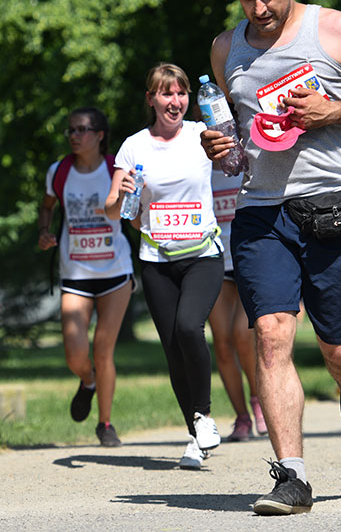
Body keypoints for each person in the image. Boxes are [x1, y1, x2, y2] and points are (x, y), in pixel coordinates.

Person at [201, 0, 341, 515]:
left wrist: (332, 112)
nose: (258, 9)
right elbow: (244, 142)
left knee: (339, 349)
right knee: (269, 334)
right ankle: (292, 477)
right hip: (261, 210)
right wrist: (223, 151)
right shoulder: (226, 48)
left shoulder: (337, 31)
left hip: (332, 204)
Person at [106, 62, 224, 471]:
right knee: (173, 349)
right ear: (151, 99)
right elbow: (114, 209)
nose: (175, 102)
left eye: (181, 93)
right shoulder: (134, 145)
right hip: (156, 259)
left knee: (189, 327)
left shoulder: (200, 133)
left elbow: (236, 158)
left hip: (203, 253)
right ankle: (195, 433)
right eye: (166, 94)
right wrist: (120, 193)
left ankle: (205, 414)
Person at [38, 107, 133, 447]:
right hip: (75, 271)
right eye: (71, 130)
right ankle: (87, 381)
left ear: (99, 134)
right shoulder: (60, 171)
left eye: (82, 129)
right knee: (75, 353)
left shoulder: (114, 169)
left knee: (103, 348)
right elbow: (48, 205)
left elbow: (133, 207)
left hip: (115, 271)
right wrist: (45, 231)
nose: (74, 136)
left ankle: (105, 424)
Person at [208, 167, 267, 440]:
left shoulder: (248, 158)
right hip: (214, 259)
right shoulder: (198, 162)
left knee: (242, 336)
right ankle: (241, 416)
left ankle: (259, 401)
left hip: (249, 258)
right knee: (221, 343)